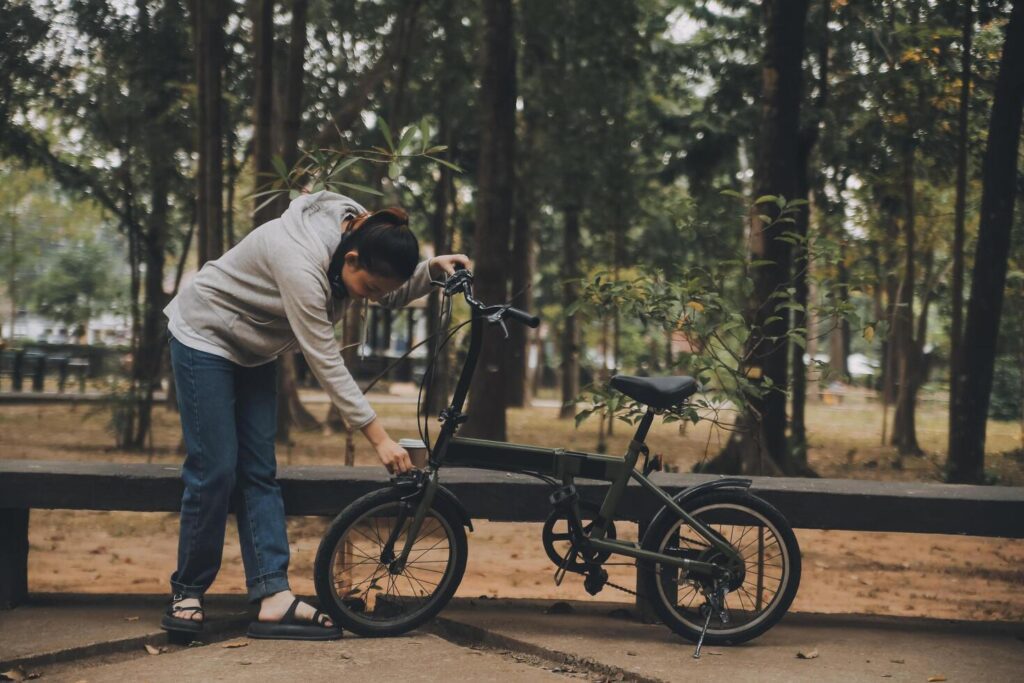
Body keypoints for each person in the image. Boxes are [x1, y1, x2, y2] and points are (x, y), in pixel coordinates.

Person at [159, 190, 469, 641]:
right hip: (204, 335)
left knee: (260, 471)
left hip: (254, 348)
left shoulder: (357, 240)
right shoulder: (299, 261)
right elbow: (325, 359)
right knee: (215, 469)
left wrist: (430, 270)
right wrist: (379, 437)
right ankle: (187, 590)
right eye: (368, 288)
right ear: (353, 258)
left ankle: (272, 596)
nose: (369, 298)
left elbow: (388, 291)